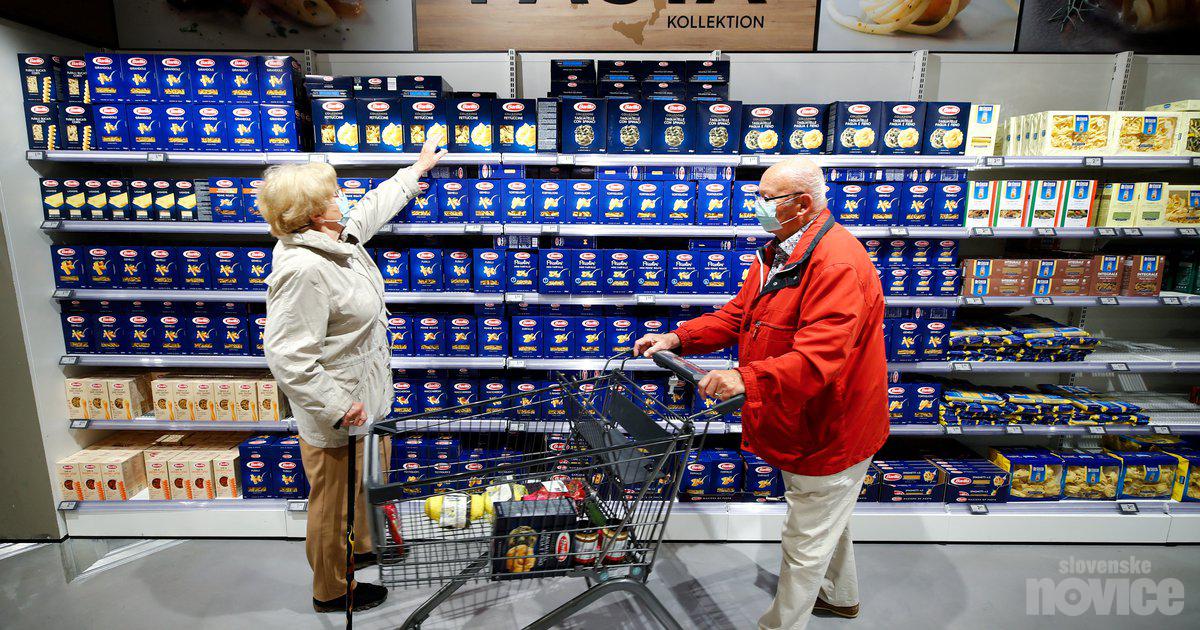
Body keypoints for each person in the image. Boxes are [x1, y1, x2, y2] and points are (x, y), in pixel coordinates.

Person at [634, 157, 888, 630]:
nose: (756, 205)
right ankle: (840, 597)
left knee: (806, 535)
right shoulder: (780, 252)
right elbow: (738, 316)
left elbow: (817, 360)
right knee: (826, 513)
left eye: (766, 199)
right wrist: (679, 338)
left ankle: (781, 625)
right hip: (799, 418)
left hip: (831, 425)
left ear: (803, 204)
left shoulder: (836, 264)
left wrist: (744, 378)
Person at [260, 134, 446, 613]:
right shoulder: (303, 268)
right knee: (333, 503)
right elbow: (287, 357)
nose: (342, 197)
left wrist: (417, 170)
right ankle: (330, 590)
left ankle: (361, 548)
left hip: (366, 398)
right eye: (333, 193)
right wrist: (340, 407)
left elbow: (370, 209)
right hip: (340, 410)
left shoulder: (336, 241)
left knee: (363, 485)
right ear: (315, 211)